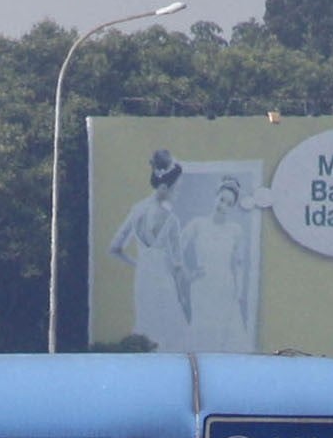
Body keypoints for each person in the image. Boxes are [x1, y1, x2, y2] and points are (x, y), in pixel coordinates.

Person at [106, 150, 193, 352]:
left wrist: (138, 263)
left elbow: (115, 247)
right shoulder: (172, 220)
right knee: (169, 332)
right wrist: (184, 298)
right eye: (175, 189)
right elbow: (178, 265)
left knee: (147, 325)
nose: (176, 194)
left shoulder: (137, 209)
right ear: (164, 186)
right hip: (162, 279)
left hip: (143, 278)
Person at [180, 176, 258, 350]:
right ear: (215, 197)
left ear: (233, 207)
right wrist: (187, 273)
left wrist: (238, 293)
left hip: (225, 287)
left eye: (229, 203)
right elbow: (176, 248)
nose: (222, 206)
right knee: (203, 333)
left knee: (227, 334)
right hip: (202, 286)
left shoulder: (235, 230)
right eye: (221, 199)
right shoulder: (197, 224)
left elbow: (240, 265)